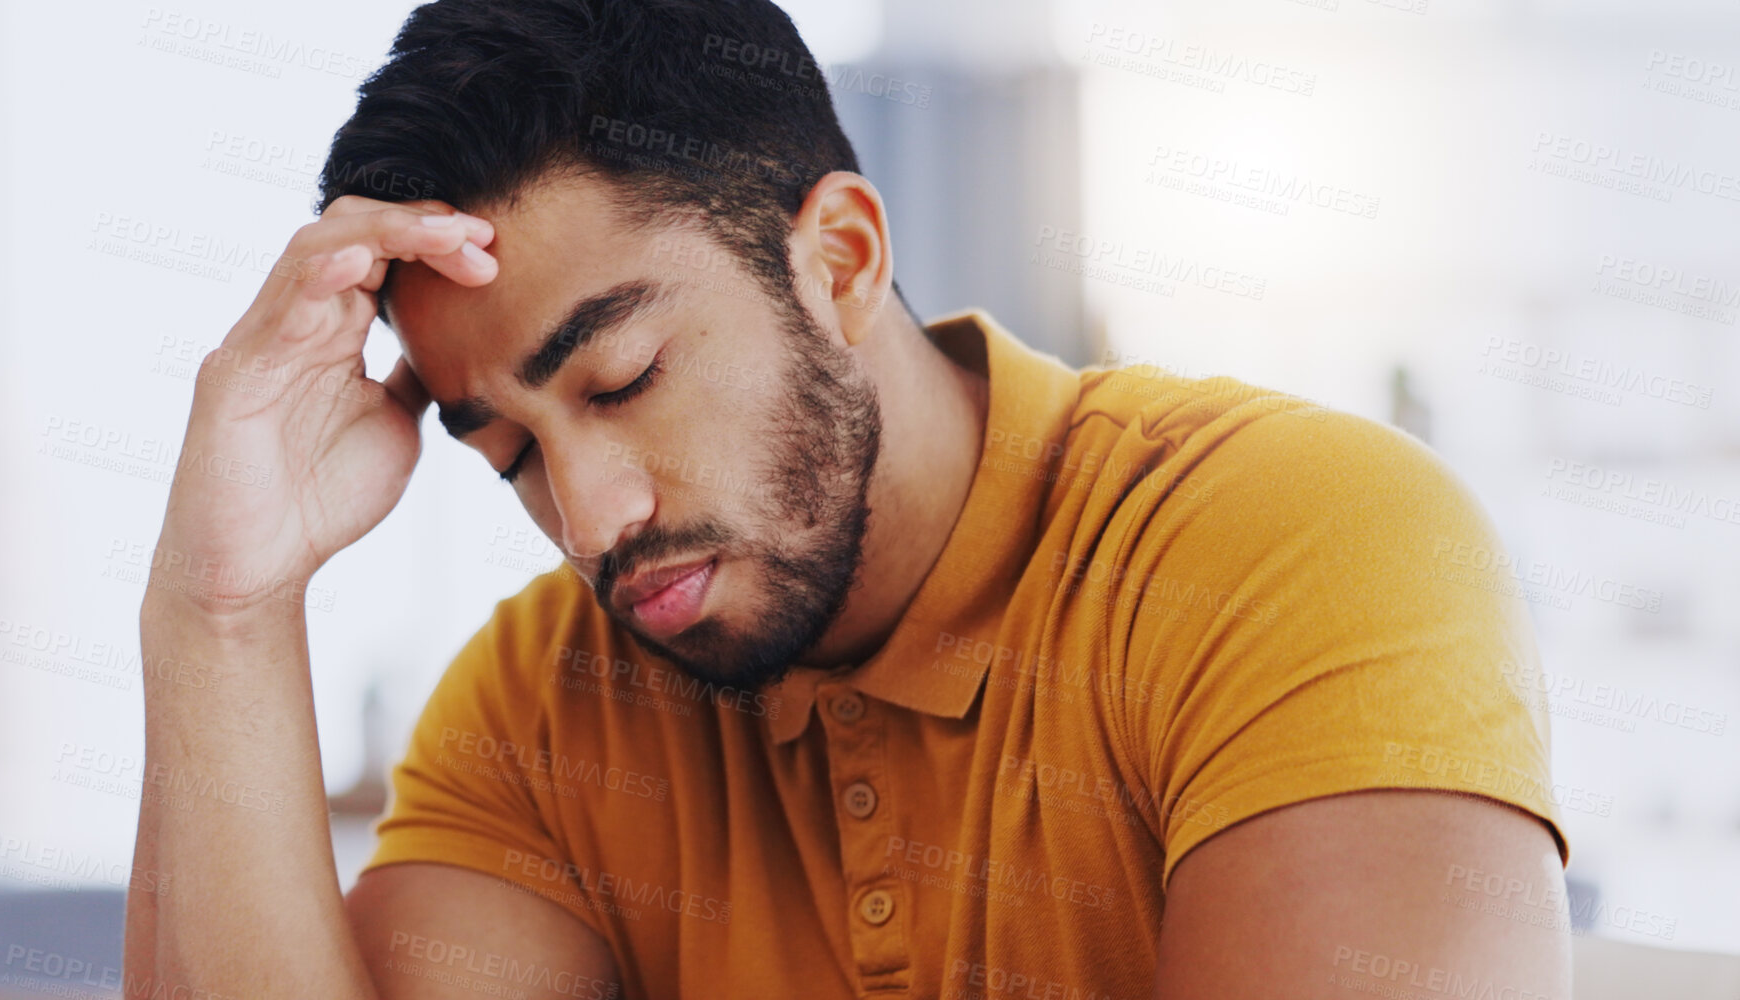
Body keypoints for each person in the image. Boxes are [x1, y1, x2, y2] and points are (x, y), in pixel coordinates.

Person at [127, 1, 1573, 997]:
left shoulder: (1297, 545)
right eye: (507, 453)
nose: (589, 519)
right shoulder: (542, 707)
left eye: (623, 379)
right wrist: (222, 608)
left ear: (840, 259)